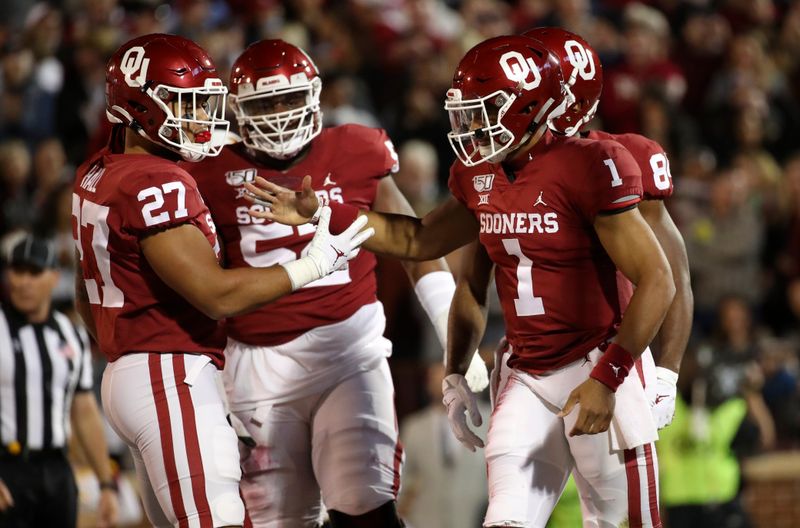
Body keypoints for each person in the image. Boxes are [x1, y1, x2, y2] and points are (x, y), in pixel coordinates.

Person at [247, 35, 675, 527]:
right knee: (505, 520)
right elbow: (419, 241)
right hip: (526, 374)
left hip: (598, 361)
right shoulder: (479, 175)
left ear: (528, 108)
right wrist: (323, 210)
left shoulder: (591, 164)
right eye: (466, 112)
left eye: (484, 110)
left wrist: (614, 377)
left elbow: (659, 279)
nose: (471, 126)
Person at [182, 38, 487, 528]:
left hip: (347, 347)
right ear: (237, 110)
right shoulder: (208, 171)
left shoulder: (355, 148)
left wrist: (453, 334)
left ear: (315, 96)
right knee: (278, 518)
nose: (280, 114)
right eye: (266, 103)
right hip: (256, 359)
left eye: (289, 99)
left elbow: (414, 246)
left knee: (365, 502)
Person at [72, 34, 372, 528]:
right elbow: (214, 295)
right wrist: (310, 266)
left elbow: (88, 293)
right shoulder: (156, 182)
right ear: (140, 104)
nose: (198, 118)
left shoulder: (100, 169)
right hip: (167, 373)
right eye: (183, 104)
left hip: (132, 372)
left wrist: (124, 349)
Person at [518, 27, 693, 429]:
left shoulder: (627, 158)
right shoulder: (499, 168)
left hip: (612, 359)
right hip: (528, 361)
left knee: (623, 493)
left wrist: (667, 372)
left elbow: (674, 276)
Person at [0, 235, 118, 528]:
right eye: (17, 271)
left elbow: (84, 409)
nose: (22, 282)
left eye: (33, 272)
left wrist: (106, 484)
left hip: (57, 470)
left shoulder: (71, 334)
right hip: (7, 467)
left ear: (54, 277)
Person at [397, 361, 489, 528]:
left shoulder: (489, 420)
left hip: (474, 519)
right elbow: (403, 477)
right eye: (438, 377)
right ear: (428, 384)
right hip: (424, 521)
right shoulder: (414, 427)